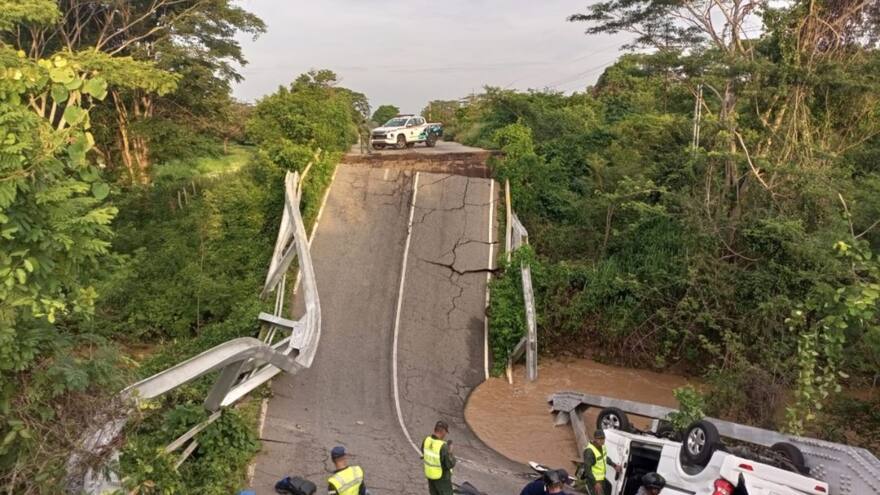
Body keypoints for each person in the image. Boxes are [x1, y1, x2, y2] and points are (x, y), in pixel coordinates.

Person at [423, 420, 456, 495]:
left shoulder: (426, 440)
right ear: (443, 431)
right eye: (446, 432)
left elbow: (424, 452)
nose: (445, 435)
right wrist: (450, 452)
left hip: (430, 476)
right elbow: (449, 464)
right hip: (442, 479)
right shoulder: (443, 446)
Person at [582, 430, 620, 495]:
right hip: (594, 481)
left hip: (602, 479)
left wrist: (614, 465)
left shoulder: (602, 446)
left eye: (603, 438)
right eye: (599, 439)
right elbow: (587, 469)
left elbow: (604, 458)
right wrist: (595, 483)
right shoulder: (589, 451)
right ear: (594, 439)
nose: (602, 441)